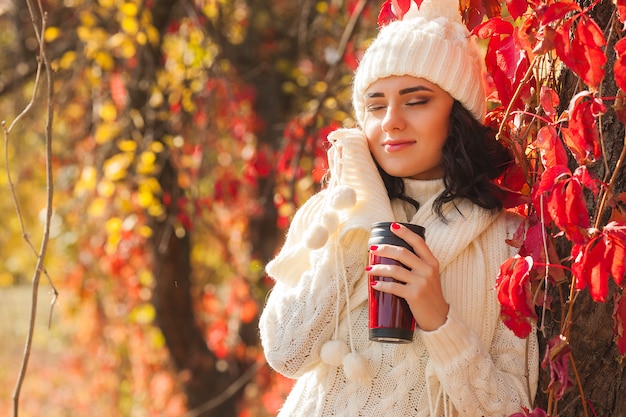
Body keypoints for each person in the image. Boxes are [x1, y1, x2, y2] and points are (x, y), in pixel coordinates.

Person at [258, 0, 539, 415]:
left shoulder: (508, 241)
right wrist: (361, 225)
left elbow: (511, 405)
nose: (390, 120)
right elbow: (286, 353)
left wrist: (439, 320)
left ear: (458, 113)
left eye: (416, 100)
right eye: (375, 105)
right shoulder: (331, 214)